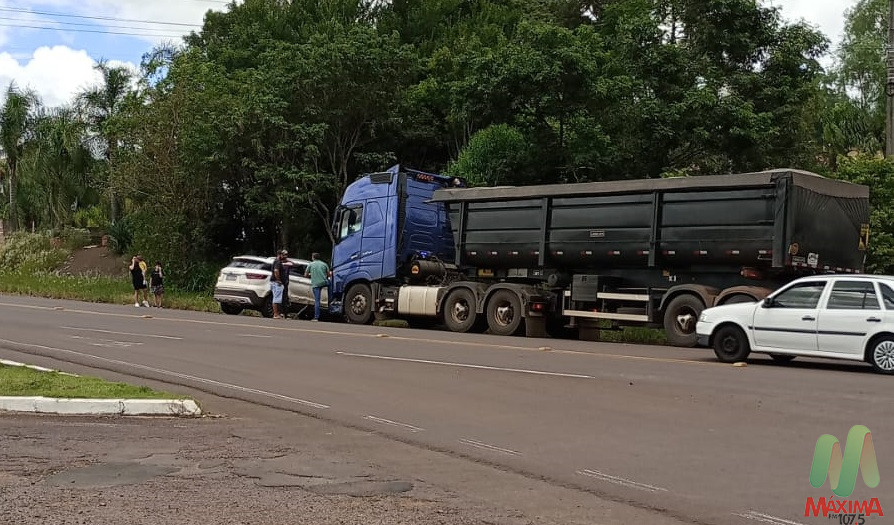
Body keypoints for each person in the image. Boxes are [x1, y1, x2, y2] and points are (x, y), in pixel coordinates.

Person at [305, 252, 330, 322]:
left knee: (317, 301)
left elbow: (305, 275)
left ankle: (316, 317)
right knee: (330, 285)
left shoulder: (311, 264)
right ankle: (331, 299)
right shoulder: (324, 264)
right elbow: (329, 274)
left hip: (316, 284)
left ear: (313, 257)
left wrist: (312, 275)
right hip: (324, 282)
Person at [271, 249, 289, 319]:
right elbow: (276, 271)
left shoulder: (277, 261)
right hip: (276, 282)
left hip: (275, 282)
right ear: (279, 255)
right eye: (282, 255)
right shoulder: (277, 262)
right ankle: (275, 314)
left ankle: (277, 313)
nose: (284, 256)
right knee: (276, 298)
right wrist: (278, 280)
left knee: (277, 298)